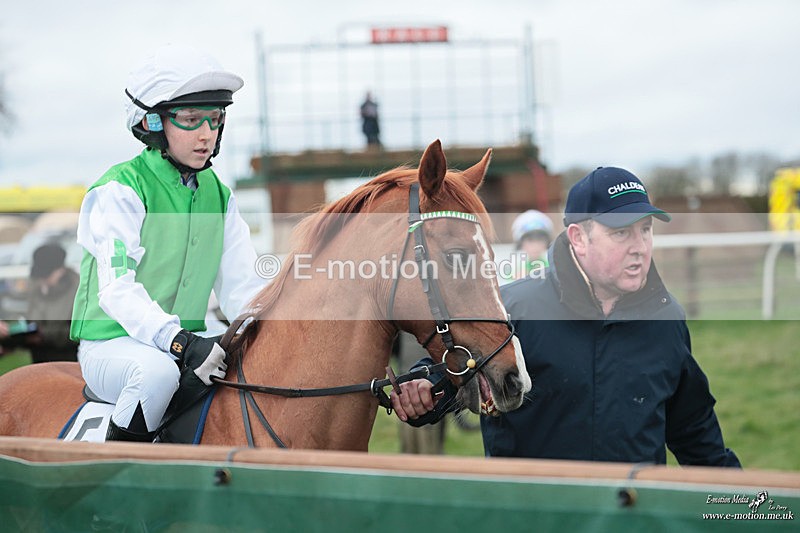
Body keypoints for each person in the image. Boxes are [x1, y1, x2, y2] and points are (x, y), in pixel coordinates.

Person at [391, 167, 741, 467]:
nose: (639, 245)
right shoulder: (514, 309)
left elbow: (695, 432)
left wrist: (745, 507)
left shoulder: (667, 319)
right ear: (578, 238)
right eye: (621, 232)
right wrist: (424, 388)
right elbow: (446, 372)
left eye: (645, 230)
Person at [70, 44, 265, 443]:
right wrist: (178, 341)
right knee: (155, 375)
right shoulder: (119, 190)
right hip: (113, 344)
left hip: (187, 336)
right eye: (192, 120)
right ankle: (119, 488)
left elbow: (243, 290)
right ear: (153, 123)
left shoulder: (220, 196)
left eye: (215, 119)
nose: (207, 134)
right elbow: (117, 290)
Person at [0, 243, 79, 363]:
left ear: (60, 270)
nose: (42, 280)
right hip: (38, 360)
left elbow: (79, 332)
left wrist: (43, 336)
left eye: (47, 275)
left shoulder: (78, 290)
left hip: (67, 362)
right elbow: (30, 320)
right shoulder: (35, 287)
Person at [510, 209, 554, 279]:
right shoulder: (514, 273)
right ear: (521, 244)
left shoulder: (554, 270)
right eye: (530, 240)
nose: (535, 245)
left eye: (540, 240)